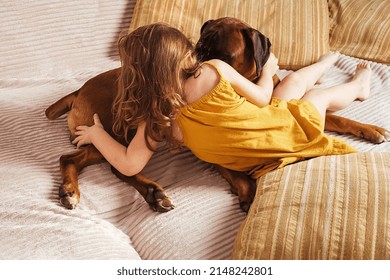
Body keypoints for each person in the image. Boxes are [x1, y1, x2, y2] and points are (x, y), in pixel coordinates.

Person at [72, 23, 371, 179]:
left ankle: (327, 61)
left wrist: (96, 134)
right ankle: (357, 85)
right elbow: (263, 98)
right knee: (315, 95)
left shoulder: (155, 119)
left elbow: (129, 165)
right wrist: (267, 70)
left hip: (250, 163)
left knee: (296, 84)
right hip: (282, 133)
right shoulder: (214, 70)